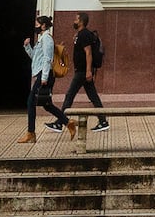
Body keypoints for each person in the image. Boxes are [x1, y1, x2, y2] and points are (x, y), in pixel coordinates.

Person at [19, 14, 70, 143]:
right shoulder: (41, 39)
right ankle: (69, 123)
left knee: (31, 102)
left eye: (37, 24)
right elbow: (36, 58)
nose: (36, 27)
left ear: (43, 25)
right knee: (46, 104)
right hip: (42, 73)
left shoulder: (47, 39)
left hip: (44, 75)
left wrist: (44, 77)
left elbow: (48, 59)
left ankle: (31, 133)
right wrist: (27, 47)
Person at [58, 11, 109, 132]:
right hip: (81, 71)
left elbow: (88, 53)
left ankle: (60, 122)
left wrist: (88, 71)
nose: (74, 21)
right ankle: (103, 121)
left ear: (81, 21)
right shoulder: (80, 34)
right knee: (93, 97)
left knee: (69, 95)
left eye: (76, 19)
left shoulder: (84, 34)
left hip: (82, 72)